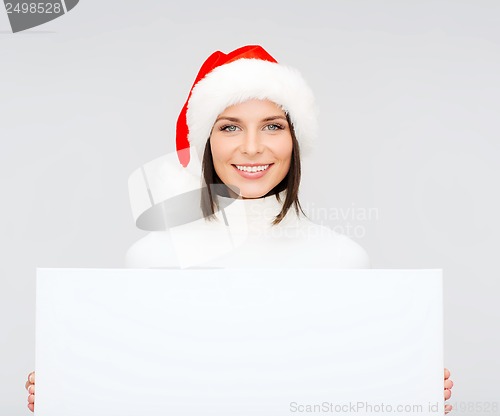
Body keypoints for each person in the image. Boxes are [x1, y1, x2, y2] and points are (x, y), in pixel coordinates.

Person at [25, 44, 454, 412]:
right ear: (206, 143)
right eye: (230, 127)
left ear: (294, 140)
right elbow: (140, 387)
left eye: (272, 126)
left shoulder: (342, 259)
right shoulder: (153, 257)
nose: (252, 146)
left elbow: (348, 386)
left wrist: (408, 387)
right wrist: (71, 386)